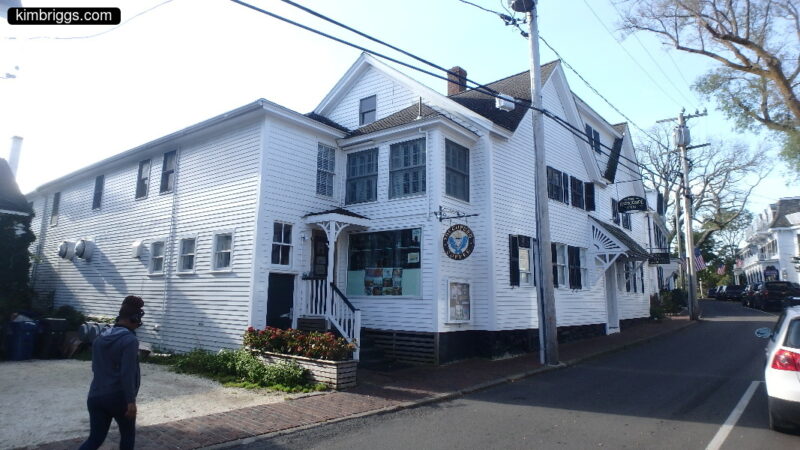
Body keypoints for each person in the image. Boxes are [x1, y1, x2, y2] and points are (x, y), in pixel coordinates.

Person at [79, 295, 144, 450]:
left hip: (95, 395)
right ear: (134, 318)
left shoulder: (99, 338)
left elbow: (96, 368)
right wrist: (130, 401)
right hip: (119, 398)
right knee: (127, 437)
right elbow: (127, 373)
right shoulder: (130, 340)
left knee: (95, 439)